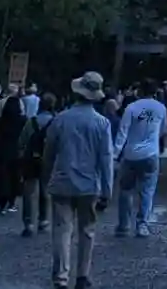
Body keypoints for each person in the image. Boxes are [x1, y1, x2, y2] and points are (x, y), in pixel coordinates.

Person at [44, 72, 115, 289]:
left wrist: (46, 178)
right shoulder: (102, 123)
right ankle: (82, 275)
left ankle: (61, 277)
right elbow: (106, 159)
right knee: (87, 231)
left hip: (62, 181)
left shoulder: (61, 119)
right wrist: (107, 190)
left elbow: (49, 153)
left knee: (62, 230)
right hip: (89, 185)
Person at [113, 82, 167, 238]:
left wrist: (115, 154)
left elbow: (123, 131)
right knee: (147, 191)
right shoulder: (161, 108)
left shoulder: (131, 108)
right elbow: (163, 129)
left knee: (125, 190)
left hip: (131, 154)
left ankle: (124, 225)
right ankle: (142, 224)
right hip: (150, 153)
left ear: (140, 91)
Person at [19, 92, 59, 237]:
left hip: (31, 160)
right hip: (48, 160)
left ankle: (28, 222)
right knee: (45, 190)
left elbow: (22, 141)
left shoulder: (31, 121)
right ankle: (44, 220)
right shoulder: (56, 122)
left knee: (29, 191)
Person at [0, 92, 27, 214]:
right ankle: (12, 202)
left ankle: (2, 204)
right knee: (15, 177)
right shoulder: (23, 121)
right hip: (18, 153)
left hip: (3, 153)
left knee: (2, 178)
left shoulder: (1, 122)